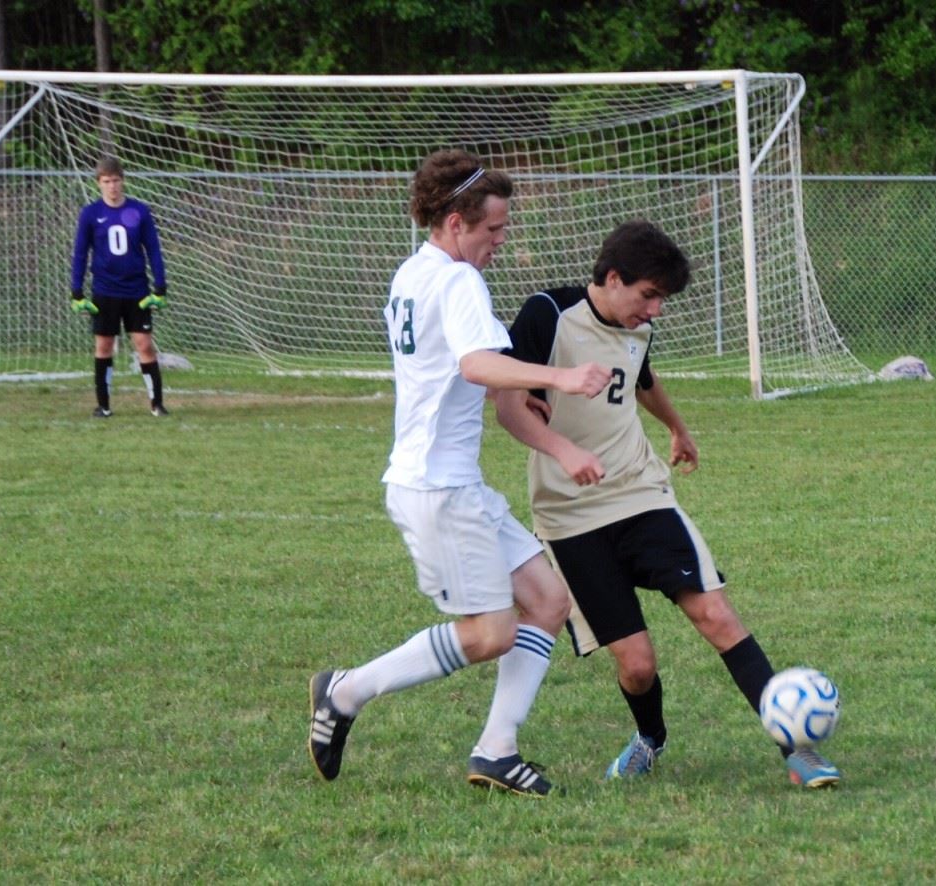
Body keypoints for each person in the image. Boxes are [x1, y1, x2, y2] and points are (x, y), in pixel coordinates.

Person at [493, 220, 841, 789]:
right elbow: (507, 406)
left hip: (639, 493)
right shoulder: (547, 315)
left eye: (661, 299)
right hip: (569, 515)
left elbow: (642, 380)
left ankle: (796, 751)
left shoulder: (638, 328)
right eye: (648, 295)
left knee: (717, 614)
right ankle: (650, 739)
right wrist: (563, 449)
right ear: (612, 278)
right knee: (637, 665)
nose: (654, 310)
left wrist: (678, 428)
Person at [307, 149, 612, 796]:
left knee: (548, 602)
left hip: (453, 484)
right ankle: (345, 691)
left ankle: (498, 749)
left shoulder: (413, 272)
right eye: (492, 230)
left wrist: (525, 398)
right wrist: (559, 377)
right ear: (454, 222)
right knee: (490, 634)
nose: (501, 241)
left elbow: (463, 367)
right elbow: (475, 364)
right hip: (437, 489)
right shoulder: (458, 281)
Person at [70, 156, 170, 418]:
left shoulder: (139, 211)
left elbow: (154, 250)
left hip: (136, 290)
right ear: (98, 184)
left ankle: (156, 404)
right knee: (103, 346)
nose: (112, 186)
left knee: (144, 345)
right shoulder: (90, 214)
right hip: (105, 290)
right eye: (106, 182)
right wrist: (76, 290)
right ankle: (103, 406)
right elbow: (80, 253)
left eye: (116, 180)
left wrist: (160, 286)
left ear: (122, 181)